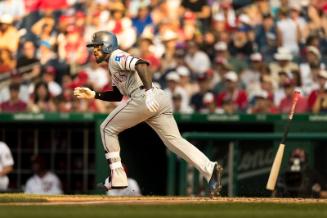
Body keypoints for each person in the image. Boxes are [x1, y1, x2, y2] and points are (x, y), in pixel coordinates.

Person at [74, 31, 223, 197]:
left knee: (106, 128)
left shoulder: (116, 56)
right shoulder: (112, 65)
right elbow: (117, 95)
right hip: (157, 99)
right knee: (174, 141)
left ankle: (118, 177)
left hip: (145, 96)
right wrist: (95, 95)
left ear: (107, 45)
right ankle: (210, 168)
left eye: (97, 46)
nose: (94, 50)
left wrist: (149, 91)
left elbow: (141, 64)